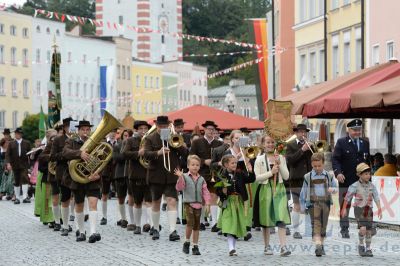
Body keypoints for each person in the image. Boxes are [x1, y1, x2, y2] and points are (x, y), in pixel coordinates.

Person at [143, 116, 188, 241]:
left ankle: (173, 230)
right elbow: (145, 154)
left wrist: (175, 143)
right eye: (161, 126)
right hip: (155, 175)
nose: (163, 128)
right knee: (156, 202)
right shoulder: (150, 138)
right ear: (156, 126)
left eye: (165, 126)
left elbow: (185, 153)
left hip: (171, 175)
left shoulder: (173, 137)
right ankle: (155, 228)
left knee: (172, 201)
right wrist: (157, 152)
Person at [63, 120, 101, 243]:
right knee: (79, 205)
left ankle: (93, 232)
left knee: (93, 204)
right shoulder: (71, 141)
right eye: (83, 129)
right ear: (78, 131)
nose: (85, 132)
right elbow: (65, 153)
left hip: (93, 178)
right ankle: (81, 231)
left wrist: (98, 174)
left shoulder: (96, 143)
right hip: (77, 178)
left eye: (87, 129)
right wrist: (80, 154)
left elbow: (104, 159)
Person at [253, 134, 291, 256]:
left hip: (279, 189)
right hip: (265, 189)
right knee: (266, 219)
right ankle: (267, 246)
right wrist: (271, 172)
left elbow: (286, 176)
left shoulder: (280, 157)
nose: (270, 144)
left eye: (272, 142)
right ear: (263, 145)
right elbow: (257, 178)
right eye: (267, 142)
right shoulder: (259, 159)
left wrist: (279, 165)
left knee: (281, 217)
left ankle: (283, 247)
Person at [332, 119, 370, 238]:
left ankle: (362, 226)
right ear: (349, 130)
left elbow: (367, 161)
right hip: (346, 179)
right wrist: (338, 173)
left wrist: (369, 177)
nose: (357, 132)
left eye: (359, 130)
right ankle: (344, 229)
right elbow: (335, 159)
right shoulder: (341, 142)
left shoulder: (365, 142)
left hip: (361, 181)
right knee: (345, 205)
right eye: (355, 130)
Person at [300, 153, 338, 257]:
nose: (317, 168)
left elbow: (336, 188)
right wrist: (302, 206)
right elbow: (303, 192)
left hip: (326, 203)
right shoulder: (308, 177)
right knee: (316, 224)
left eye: (319, 165)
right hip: (313, 204)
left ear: (323, 163)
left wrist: (332, 189)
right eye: (314, 166)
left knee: (323, 226)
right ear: (311, 164)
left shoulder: (329, 176)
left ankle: (321, 244)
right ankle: (318, 245)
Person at [216, 154, 255, 256]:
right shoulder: (221, 176)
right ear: (225, 164)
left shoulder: (240, 173)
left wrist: (251, 171)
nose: (234, 164)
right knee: (229, 223)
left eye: (235, 163)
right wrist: (223, 191)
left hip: (238, 202)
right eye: (232, 163)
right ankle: (231, 248)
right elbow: (217, 190)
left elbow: (251, 179)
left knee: (235, 224)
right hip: (228, 202)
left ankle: (232, 248)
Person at [341, 163, 382, 257]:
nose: (368, 176)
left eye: (369, 173)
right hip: (359, 209)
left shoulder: (372, 186)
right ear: (359, 174)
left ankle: (368, 248)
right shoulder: (354, 186)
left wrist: (379, 208)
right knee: (363, 229)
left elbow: (376, 197)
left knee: (368, 231)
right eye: (365, 174)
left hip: (369, 210)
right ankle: (360, 245)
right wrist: (343, 209)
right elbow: (347, 198)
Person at [175, 155, 211, 255]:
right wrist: (180, 177)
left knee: (196, 226)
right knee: (190, 223)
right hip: (188, 204)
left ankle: (195, 245)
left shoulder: (201, 179)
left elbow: (205, 192)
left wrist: (207, 202)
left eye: (197, 165)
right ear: (188, 166)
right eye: (193, 165)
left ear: (200, 166)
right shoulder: (185, 177)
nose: (195, 167)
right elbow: (179, 188)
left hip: (199, 205)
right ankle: (186, 241)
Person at [190, 120, 222, 231]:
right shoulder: (197, 142)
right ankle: (202, 221)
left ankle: (214, 222)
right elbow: (191, 157)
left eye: (213, 129)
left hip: (215, 173)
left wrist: (215, 163)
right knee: (202, 197)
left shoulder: (219, 143)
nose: (211, 131)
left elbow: (222, 159)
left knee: (213, 196)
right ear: (204, 129)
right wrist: (204, 161)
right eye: (209, 129)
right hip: (200, 172)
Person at [123, 120, 153, 234]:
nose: (143, 131)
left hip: (148, 174)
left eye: (145, 129)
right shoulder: (130, 140)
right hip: (135, 175)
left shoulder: (150, 140)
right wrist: (137, 153)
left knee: (149, 201)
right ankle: (138, 225)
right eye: (141, 129)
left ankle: (149, 224)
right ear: (136, 130)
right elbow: (124, 154)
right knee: (137, 202)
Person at [285, 124, 313, 239]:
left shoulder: (310, 145)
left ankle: (311, 228)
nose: (303, 134)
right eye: (300, 132)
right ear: (296, 133)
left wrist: (312, 148)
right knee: (297, 205)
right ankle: (296, 230)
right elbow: (290, 161)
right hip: (296, 178)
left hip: (309, 179)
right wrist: (302, 150)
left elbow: (315, 158)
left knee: (310, 205)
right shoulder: (290, 145)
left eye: (304, 132)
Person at [50, 117, 74, 236]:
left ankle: (78, 226)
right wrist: (66, 155)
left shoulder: (79, 140)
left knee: (78, 199)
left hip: (78, 172)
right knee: (65, 198)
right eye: (70, 126)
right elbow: (53, 156)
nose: (72, 128)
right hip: (63, 172)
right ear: (64, 128)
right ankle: (64, 225)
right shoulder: (58, 140)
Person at [5, 127, 31, 204]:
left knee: (25, 178)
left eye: (19, 134)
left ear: (21, 134)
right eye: (16, 134)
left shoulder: (27, 143)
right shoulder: (11, 143)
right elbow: (7, 155)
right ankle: (17, 198)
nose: (18, 135)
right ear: (15, 134)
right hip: (14, 164)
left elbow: (30, 154)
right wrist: (8, 164)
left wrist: (32, 156)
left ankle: (25, 197)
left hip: (24, 164)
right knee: (16, 181)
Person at [100, 129, 118, 225]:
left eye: (114, 132)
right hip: (105, 172)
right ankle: (104, 216)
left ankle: (120, 218)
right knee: (104, 194)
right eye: (111, 131)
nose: (112, 133)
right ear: (108, 133)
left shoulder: (119, 143)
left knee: (120, 195)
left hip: (116, 172)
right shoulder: (103, 143)